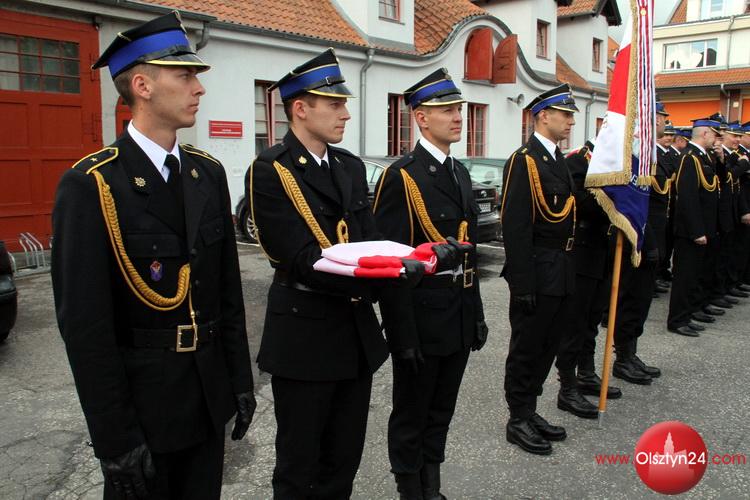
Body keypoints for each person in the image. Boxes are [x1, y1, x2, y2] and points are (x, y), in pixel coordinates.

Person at [51, 12, 255, 499]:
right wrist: (113, 438)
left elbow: (227, 294)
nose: (198, 88)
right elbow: (85, 329)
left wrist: (238, 381)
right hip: (144, 410)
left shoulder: (206, 173)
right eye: (184, 76)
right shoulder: (93, 184)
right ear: (142, 86)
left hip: (206, 396)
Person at [247, 48, 433, 499]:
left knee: (343, 461)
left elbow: (370, 239)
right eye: (334, 104)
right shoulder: (271, 170)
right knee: (299, 466)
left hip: (353, 335)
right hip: (305, 336)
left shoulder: (348, 165)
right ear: (300, 108)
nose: (345, 114)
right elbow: (301, 258)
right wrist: (387, 271)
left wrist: (405, 268)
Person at [372, 68, 487, 499]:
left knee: (442, 410)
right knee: (411, 413)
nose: (458, 118)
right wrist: (401, 334)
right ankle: (409, 489)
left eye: (459, 110)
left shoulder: (459, 173)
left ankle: (431, 487)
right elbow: (393, 263)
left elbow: (468, 252)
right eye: (447, 111)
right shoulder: (403, 177)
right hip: (421, 320)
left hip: (457, 316)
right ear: (421, 118)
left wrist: (476, 314)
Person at [500, 84, 577, 455]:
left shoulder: (557, 159)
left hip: (560, 268)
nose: (571, 121)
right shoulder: (525, 160)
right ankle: (517, 417)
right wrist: (523, 283)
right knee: (527, 347)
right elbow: (515, 226)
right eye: (565, 114)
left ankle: (530, 409)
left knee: (549, 344)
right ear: (543, 115)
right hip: (537, 269)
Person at [554, 139, 621, 419]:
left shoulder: (612, 166)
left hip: (602, 252)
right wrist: (617, 195)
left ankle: (587, 372)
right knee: (575, 323)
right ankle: (567, 386)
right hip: (582, 255)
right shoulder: (578, 162)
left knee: (592, 320)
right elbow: (582, 204)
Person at [609, 103, 668, 385]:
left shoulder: (647, 153)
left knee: (641, 299)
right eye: (659, 118)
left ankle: (630, 353)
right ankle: (622, 358)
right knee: (629, 298)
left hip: (647, 232)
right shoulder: (626, 154)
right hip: (633, 234)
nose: (662, 123)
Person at [667, 117, 722, 337]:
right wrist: (697, 231)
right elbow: (688, 197)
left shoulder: (705, 157)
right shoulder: (689, 158)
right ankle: (678, 320)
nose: (717, 139)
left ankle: (688, 314)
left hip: (704, 228)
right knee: (685, 277)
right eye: (715, 134)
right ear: (705, 133)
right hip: (690, 232)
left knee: (695, 276)